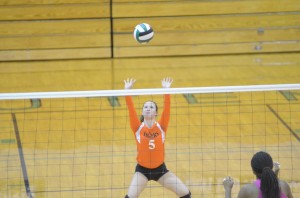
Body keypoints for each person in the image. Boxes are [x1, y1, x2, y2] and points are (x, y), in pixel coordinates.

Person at [123, 77, 191, 198]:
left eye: (151, 107)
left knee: (185, 193)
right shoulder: (137, 127)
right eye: (145, 107)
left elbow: (167, 108)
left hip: (160, 170)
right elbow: (130, 108)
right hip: (142, 172)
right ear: (143, 112)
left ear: (155, 113)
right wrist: (127, 91)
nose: (148, 108)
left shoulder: (161, 126)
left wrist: (166, 90)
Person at [223, 151, 293, 198]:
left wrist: (228, 189)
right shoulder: (284, 186)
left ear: (253, 171)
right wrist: (275, 175)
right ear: (271, 167)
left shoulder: (247, 190)